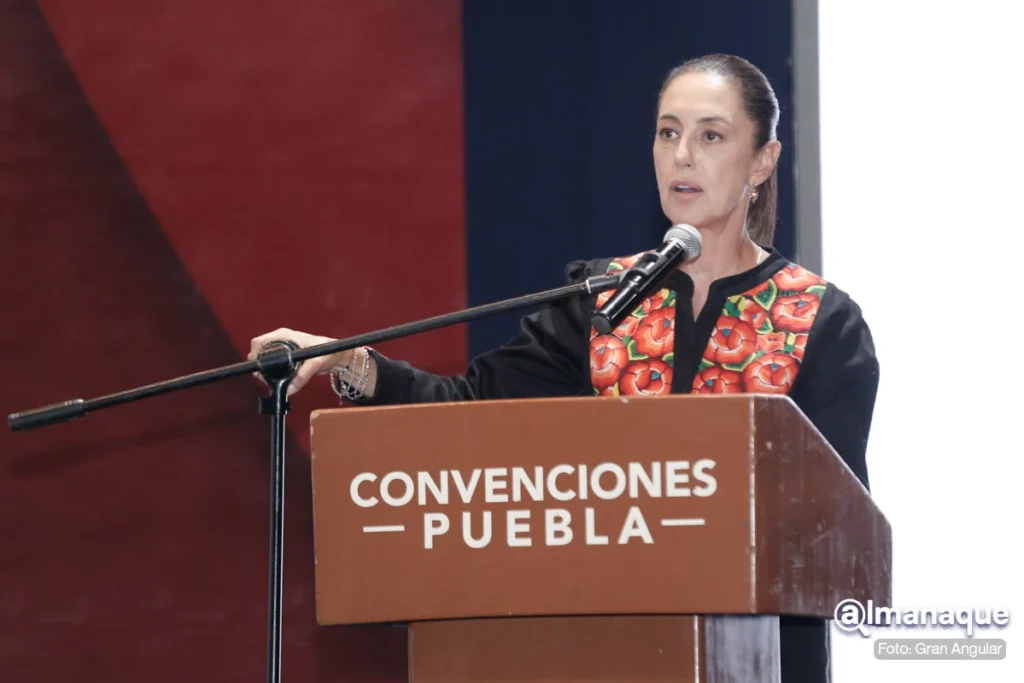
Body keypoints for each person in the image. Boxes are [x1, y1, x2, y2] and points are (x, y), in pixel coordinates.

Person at [249, 53, 879, 683]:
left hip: (764, 660)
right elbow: (471, 412)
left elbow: (836, 530)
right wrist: (352, 362)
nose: (682, 155)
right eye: (668, 132)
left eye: (710, 135)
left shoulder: (820, 321)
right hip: (601, 653)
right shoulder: (600, 300)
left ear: (763, 162)